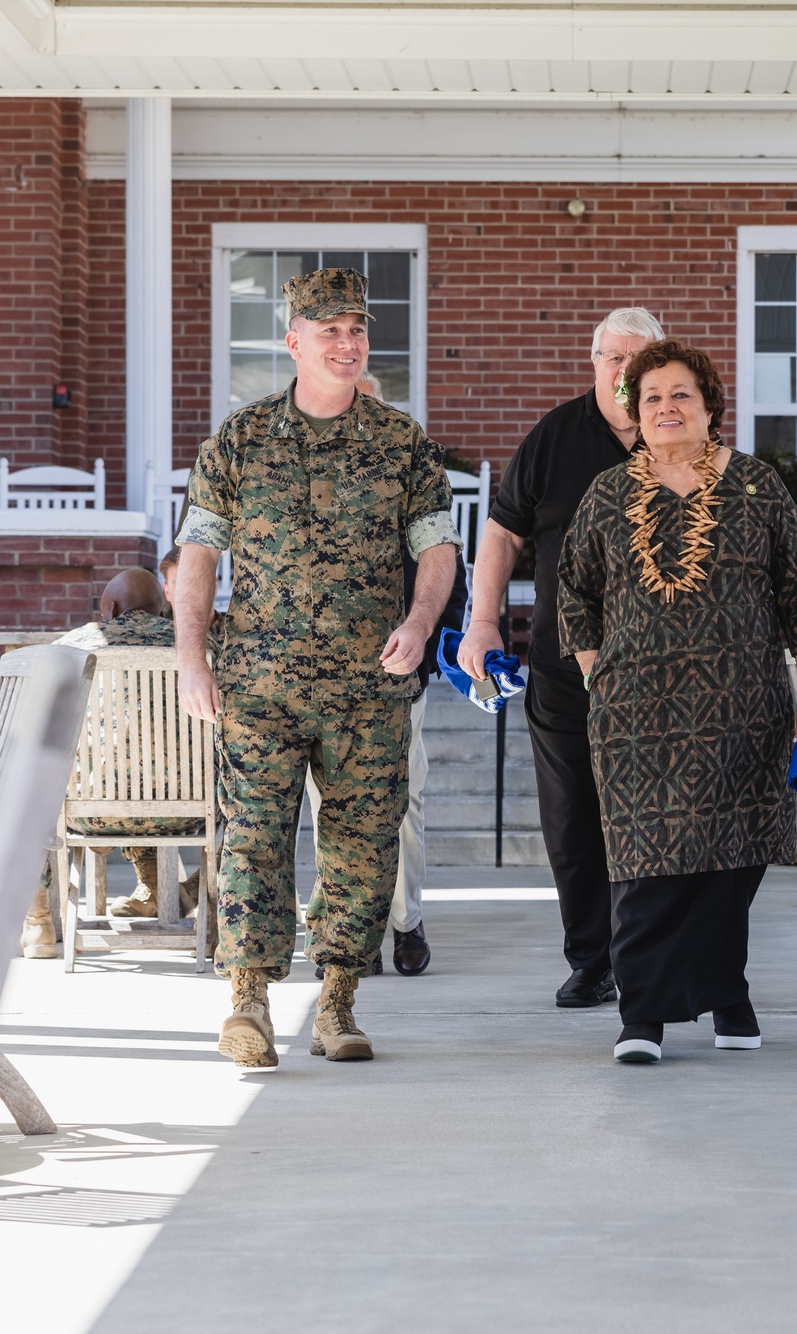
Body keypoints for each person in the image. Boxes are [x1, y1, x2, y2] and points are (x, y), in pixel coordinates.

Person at [174, 266, 461, 1069]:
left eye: (357, 329)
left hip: (368, 685)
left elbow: (437, 547)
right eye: (329, 330)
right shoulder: (239, 440)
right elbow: (197, 555)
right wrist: (191, 657)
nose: (347, 342)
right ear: (293, 340)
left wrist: (418, 620)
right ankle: (250, 1002)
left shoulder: (402, 444)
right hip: (259, 683)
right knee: (255, 837)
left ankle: (337, 999)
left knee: (363, 843)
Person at [557, 340, 797, 1063]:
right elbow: (574, 595)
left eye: (680, 393)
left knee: (731, 857)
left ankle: (727, 993)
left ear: (709, 405)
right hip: (634, 717)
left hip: (741, 708)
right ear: (635, 413)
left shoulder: (757, 487)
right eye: (651, 397)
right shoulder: (607, 494)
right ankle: (643, 1017)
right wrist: (602, 675)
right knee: (644, 862)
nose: (666, 408)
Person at [458, 307, 663, 1008]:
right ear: (594, 361)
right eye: (614, 358)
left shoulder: (684, 436)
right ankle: (591, 959)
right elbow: (502, 532)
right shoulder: (553, 436)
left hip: (662, 676)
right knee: (573, 820)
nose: (627, 373)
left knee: (653, 816)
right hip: (561, 669)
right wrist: (482, 622)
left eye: (641, 360)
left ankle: (647, 958)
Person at [305, 370, 469, 978]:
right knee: (330, 805)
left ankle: (405, 922)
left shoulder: (410, 475)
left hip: (396, 677)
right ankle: (352, 933)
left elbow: (450, 576)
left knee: (403, 801)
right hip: (318, 682)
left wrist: (423, 647)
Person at [18, 567, 200, 958]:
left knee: (29, 780)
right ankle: (210, 911)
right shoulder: (196, 649)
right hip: (187, 813)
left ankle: (38, 923)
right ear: (162, 610)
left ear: (110, 608)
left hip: (88, 813)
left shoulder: (71, 646)